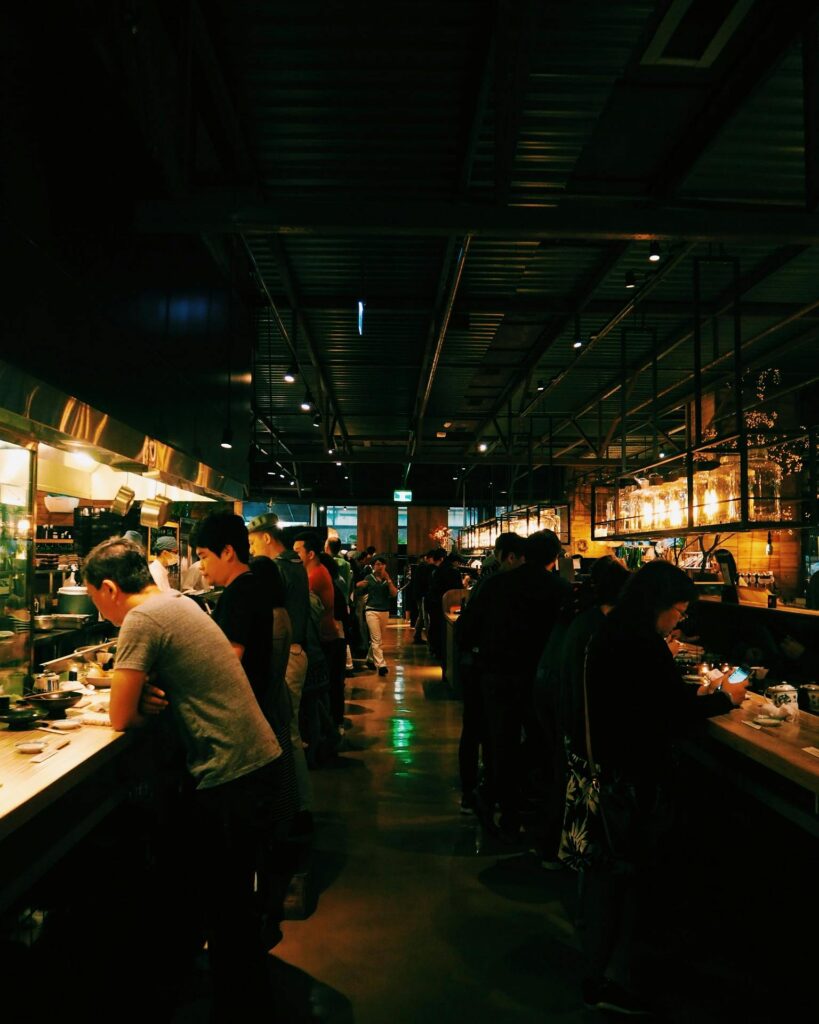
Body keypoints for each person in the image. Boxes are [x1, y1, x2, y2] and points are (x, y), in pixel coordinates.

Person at [83, 536, 287, 1019]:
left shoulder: (141, 618)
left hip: (228, 772)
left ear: (109, 588)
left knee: (227, 911)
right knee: (225, 904)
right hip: (252, 762)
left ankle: (241, 1009)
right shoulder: (177, 601)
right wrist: (149, 695)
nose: (98, 609)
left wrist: (135, 702)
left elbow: (118, 716)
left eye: (94, 597)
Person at [572, 560, 748, 1015]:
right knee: (628, 880)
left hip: (607, 771)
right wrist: (724, 699)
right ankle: (615, 979)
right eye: (679, 611)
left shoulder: (610, 634)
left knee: (606, 880)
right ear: (658, 604)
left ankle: (601, 971)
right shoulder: (640, 643)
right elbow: (667, 711)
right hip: (630, 780)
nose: (679, 620)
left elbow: (647, 702)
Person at [458, 530, 572, 842]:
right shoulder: (561, 589)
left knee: (501, 741)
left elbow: (466, 631)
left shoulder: (494, 585)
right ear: (554, 558)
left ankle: (505, 809)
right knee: (539, 743)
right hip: (538, 680)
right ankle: (527, 807)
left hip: (496, 676)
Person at [247, 514, 313, 814]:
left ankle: (297, 806)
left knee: (287, 732)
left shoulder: (278, 567)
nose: (251, 549)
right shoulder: (295, 564)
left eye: (251, 542)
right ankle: (297, 803)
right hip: (298, 651)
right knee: (289, 731)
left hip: (288, 656)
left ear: (265, 537)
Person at [355, 554, 398, 676]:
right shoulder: (369, 578)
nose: (380, 566)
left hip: (384, 611)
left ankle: (370, 659)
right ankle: (381, 665)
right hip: (371, 610)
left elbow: (394, 594)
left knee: (378, 639)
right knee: (376, 639)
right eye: (377, 564)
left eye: (382, 564)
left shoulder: (387, 579)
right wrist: (359, 585)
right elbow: (359, 588)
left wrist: (388, 579)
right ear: (373, 566)